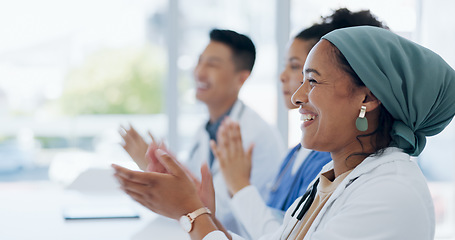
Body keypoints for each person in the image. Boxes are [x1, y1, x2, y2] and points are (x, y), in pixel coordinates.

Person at [113, 26, 455, 240]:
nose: (297, 95)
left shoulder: (390, 193)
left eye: (313, 80)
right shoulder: (332, 178)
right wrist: (206, 215)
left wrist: (193, 215)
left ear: (367, 97)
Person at [214, 8, 388, 239]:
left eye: (301, 69)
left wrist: (237, 188)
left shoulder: (336, 161)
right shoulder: (298, 152)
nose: (285, 78)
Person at [119, 29, 285, 236]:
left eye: (212, 64)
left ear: (241, 78)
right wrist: (160, 170)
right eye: (200, 61)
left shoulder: (254, 134)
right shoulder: (206, 129)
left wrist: (176, 186)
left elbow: (218, 212)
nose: (199, 71)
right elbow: (194, 196)